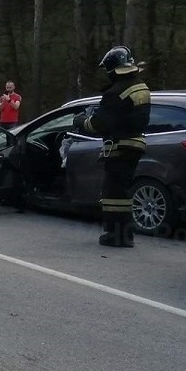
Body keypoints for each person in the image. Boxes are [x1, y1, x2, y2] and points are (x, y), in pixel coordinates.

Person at [74, 45, 151, 248]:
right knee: (122, 192)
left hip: (120, 146)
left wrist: (81, 121)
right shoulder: (140, 86)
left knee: (114, 194)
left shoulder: (115, 93)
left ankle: (117, 235)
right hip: (135, 143)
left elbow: (98, 124)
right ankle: (125, 234)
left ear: (112, 69)